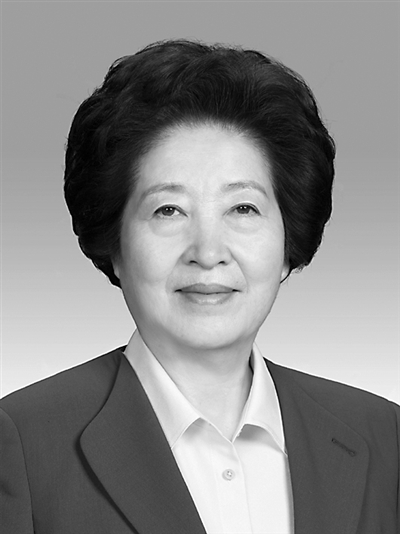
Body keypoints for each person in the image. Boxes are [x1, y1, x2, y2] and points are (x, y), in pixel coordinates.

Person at [0, 39, 398, 534]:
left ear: (288, 240)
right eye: (168, 210)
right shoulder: (23, 443)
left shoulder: (382, 435)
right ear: (115, 243)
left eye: (243, 208)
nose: (208, 252)